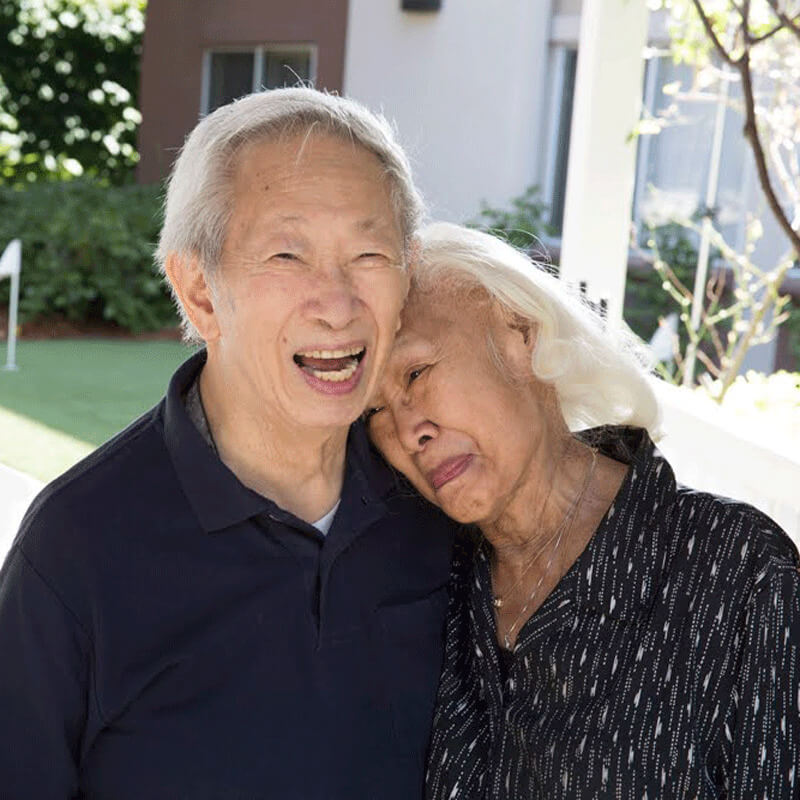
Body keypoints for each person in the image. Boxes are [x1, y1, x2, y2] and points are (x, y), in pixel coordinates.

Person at [0, 89, 456, 799]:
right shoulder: (77, 546)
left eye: (370, 253)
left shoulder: (441, 498)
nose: (337, 305)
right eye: (287, 254)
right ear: (199, 291)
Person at [366, 222, 800, 799]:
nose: (407, 429)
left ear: (520, 334)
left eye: (416, 373)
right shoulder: (426, 576)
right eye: (374, 411)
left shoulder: (738, 572)